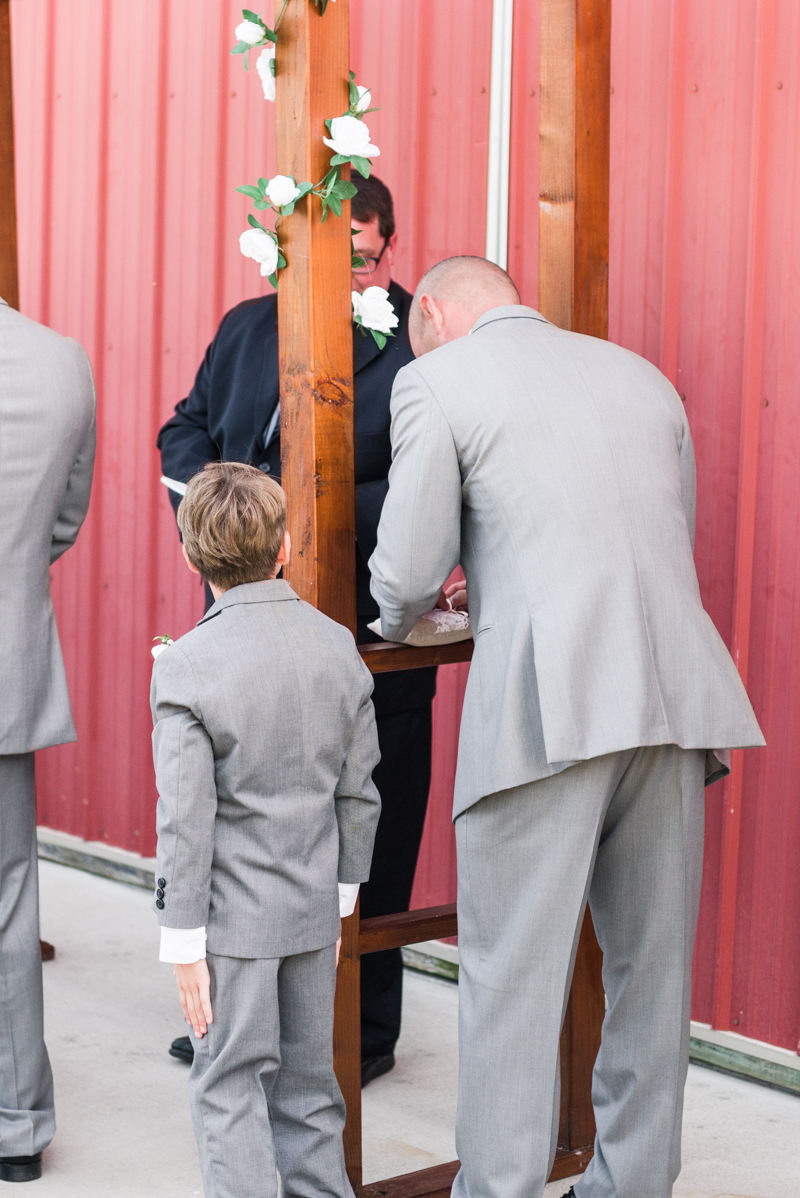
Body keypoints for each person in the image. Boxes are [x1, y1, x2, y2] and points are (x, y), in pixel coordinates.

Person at [369, 257, 765, 1198]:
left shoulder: (434, 381)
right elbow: (666, 532)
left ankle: (499, 1189)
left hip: (546, 705)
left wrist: (400, 619)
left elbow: (407, 574)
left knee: (510, 976)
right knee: (651, 972)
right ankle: (631, 1184)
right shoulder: (640, 375)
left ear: (429, 312)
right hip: (673, 690)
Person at [157, 175, 434, 1085]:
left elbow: (425, 480)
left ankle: (365, 1030)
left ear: (386, 245)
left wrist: (300, 514)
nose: (343, 261)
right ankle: (231, 1017)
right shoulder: (246, 322)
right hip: (239, 623)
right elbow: (184, 427)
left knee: (371, 826)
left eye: (360, 244)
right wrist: (223, 507)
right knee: (236, 827)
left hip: (363, 632)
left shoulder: (415, 344)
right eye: (320, 244)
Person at [152, 462, 381, 1198]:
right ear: (284, 545)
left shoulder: (186, 666)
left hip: (232, 927)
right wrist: (342, 899)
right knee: (311, 1092)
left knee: (228, 1088)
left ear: (191, 557)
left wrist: (183, 941)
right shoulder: (337, 645)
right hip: (313, 910)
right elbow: (359, 791)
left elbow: (187, 820)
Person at [0, 298, 96, 1183]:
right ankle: (18, 1127)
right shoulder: (61, 361)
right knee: (9, 902)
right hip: (8, 668)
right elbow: (61, 525)